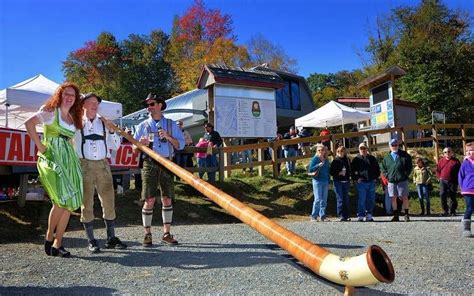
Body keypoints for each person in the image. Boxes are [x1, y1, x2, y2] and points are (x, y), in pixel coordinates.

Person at [24, 82, 84, 257]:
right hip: (52, 159)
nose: (69, 97)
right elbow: (29, 124)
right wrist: (41, 147)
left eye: (72, 95)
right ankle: (49, 236)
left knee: (68, 204)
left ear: (75, 99)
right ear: (60, 95)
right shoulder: (50, 111)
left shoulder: (73, 118)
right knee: (59, 201)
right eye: (66, 94)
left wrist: (75, 160)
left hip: (69, 161)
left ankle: (58, 243)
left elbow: (71, 141)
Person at [74, 92, 127, 253]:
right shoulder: (75, 123)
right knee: (86, 203)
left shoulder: (104, 123)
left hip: (103, 166)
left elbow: (116, 146)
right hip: (84, 166)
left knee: (109, 201)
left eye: (96, 102)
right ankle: (91, 240)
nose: (94, 104)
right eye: (90, 101)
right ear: (83, 105)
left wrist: (111, 131)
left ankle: (111, 237)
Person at [133, 93, 185, 247]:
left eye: (152, 104)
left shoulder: (171, 124)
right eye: (147, 105)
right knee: (149, 199)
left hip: (168, 163)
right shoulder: (142, 125)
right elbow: (134, 149)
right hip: (150, 163)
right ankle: (147, 234)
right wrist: (139, 144)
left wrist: (168, 137)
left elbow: (180, 145)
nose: (149, 107)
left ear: (160, 105)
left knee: (167, 198)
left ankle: (166, 233)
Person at [381, 138, 413, 222]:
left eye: (396, 145)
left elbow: (409, 166)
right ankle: (396, 215)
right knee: (393, 198)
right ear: (390, 146)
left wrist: (405, 175)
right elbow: (383, 168)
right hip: (391, 181)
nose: (395, 146)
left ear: (398, 145)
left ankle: (406, 214)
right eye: (393, 145)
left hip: (402, 180)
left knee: (405, 197)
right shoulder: (387, 157)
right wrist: (387, 176)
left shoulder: (404, 155)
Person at [351, 142, 380, 222]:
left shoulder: (372, 158)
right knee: (362, 199)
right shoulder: (356, 159)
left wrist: (375, 177)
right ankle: (360, 215)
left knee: (371, 199)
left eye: (364, 148)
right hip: (362, 182)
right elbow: (352, 171)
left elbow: (377, 169)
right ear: (359, 150)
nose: (363, 150)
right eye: (361, 148)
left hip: (371, 181)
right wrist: (356, 178)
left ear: (367, 149)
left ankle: (369, 215)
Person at [436, 147, 461, 216]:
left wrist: (459, 180)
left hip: (453, 181)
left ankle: (452, 210)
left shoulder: (456, 161)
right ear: (443, 154)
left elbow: (460, 171)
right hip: (443, 180)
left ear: (452, 153)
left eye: (449, 151)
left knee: (452, 196)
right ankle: (445, 210)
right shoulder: (441, 161)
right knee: (442, 194)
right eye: (445, 152)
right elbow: (438, 170)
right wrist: (439, 177)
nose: (447, 153)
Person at [308, 144, 331, 222]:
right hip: (317, 181)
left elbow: (328, 171)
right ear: (317, 151)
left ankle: (322, 216)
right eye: (319, 150)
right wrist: (318, 165)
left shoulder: (326, 160)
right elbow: (310, 169)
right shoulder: (315, 159)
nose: (321, 151)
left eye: (322, 150)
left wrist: (329, 181)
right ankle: (314, 216)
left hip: (325, 181)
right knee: (317, 199)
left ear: (325, 151)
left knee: (324, 200)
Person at [330, 146, 352, 221]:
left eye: (342, 151)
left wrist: (350, 177)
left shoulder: (348, 160)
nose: (341, 153)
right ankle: (340, 215)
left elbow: (350, 170)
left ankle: (347, 216)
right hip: (338, 182)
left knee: (346, 199)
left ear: (345, 152)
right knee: (340, 199)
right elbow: (331, 172)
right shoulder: (335, 161)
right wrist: (339, 173)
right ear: (337, 152)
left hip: (346, 181)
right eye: (339, 151)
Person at [458, 142, 474, 237]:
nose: (470, 152)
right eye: (467, 151)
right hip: (468, 189)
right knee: (469, 208)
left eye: (471, 150)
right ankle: (466, 228)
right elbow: (461, 176)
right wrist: (462, 187)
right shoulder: (465, 163)